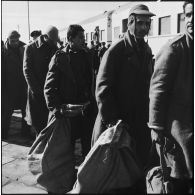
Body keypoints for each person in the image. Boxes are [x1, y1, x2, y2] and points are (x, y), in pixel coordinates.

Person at [92, 4, 155, 175]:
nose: (144, 27)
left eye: (147, 24)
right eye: (140, 23)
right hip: (117, 123)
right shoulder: (116, 50)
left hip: (139, 122)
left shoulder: (147, 50)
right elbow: (102, 88)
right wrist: (112, 120)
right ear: (131, 23)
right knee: (111, 173)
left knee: (135, 169)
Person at [148, 1, 193, 193]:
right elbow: (157, 91)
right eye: (189, 15)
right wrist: (156, 128)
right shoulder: (175, 48)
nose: (191, 20)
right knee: (179, 182)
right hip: (179, 135)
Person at [44, 24, 97, 158]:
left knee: (88, 148)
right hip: (69, 113)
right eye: (80, 38)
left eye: (83, 37)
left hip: (86, 110)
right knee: (67, 150)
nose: (83, 40)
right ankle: (68, 176)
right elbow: (49, 88)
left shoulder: (86, 55)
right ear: (70, 39)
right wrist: (57, 109)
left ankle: (85, 176)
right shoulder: (60, 58)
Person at [23, 25, 59, 136]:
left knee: (49, 125)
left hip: (51, 93)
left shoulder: (55, 48)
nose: (54, 43)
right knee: (38, 124)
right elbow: (27, 71)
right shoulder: (31, 48)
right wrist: (37, 91)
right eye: (52, 40)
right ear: (45, 37)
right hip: (37, 93)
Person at [2, 30, 31, 139]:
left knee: (25, 111)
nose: (15, 43)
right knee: (6, 113)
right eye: (12, 41)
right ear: (8, 40)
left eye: (16, 40)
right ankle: (3, 134)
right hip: (8, 87)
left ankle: (26, 133)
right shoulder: (3, 52)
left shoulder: (24, 48)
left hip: (22, 86)